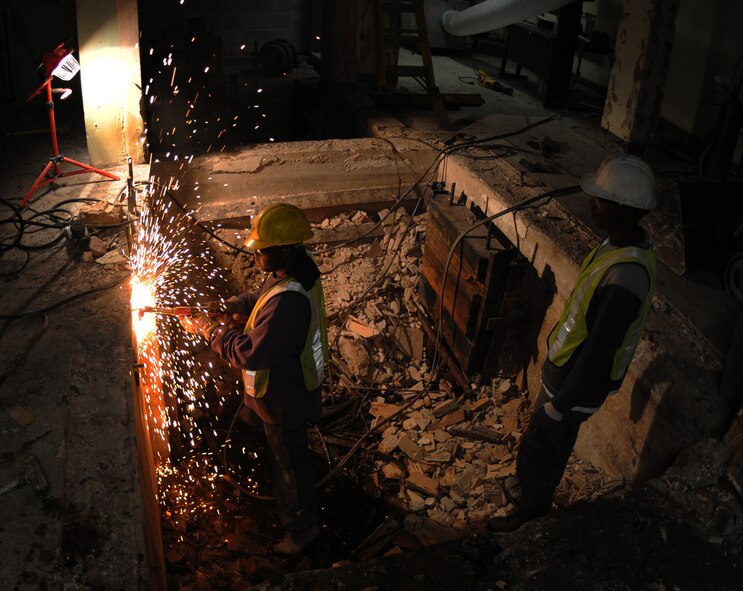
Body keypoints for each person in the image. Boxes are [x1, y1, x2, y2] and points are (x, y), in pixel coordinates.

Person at [488, 154, 658, 532]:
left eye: (601, 199)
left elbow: (599, 350)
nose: (592, 203)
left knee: (545, 445)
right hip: (563, 372)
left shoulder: (625, 276)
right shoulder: (617, 245)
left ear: (625, 209)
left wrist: (561, 405)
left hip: (573, 386)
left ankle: (529, 515)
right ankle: (527, 493)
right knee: (541, 441)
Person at [180, 202, 329, 555]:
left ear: (284, 249)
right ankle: (255, 424)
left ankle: (301, 530)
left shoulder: (290, 304)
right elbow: (264, 298)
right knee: (282, 449)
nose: (256, 255)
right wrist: (230, 304)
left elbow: (249, 353)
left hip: (284, 398)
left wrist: (208, 329)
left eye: (262, 250)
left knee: (290, 464)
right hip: (285, 386)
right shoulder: (294, 269)